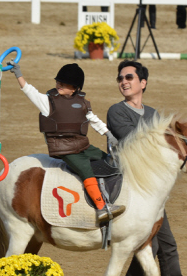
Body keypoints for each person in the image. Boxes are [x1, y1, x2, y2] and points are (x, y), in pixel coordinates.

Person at [107, 60, 187, 276]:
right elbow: (133, 143)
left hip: (151, 194)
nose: (123, 82)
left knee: (165, 244)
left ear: (143, 83)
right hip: (128, 188)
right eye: (120, 78)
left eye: (129, 77)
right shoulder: (117, 112)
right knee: (150, 244)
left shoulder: (153, 115)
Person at [7, 61, 125, 223]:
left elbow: (93, 119)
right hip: (66, 149)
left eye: (65, 83)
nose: (59, 84)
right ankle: (101, 208)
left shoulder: (82, 102)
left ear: (75, 88)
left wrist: (108, 134)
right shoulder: (48, 102)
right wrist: (18, 74)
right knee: (85, 170)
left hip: (83, 145)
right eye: (58, 81)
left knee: (106, 159)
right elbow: (30, 91)